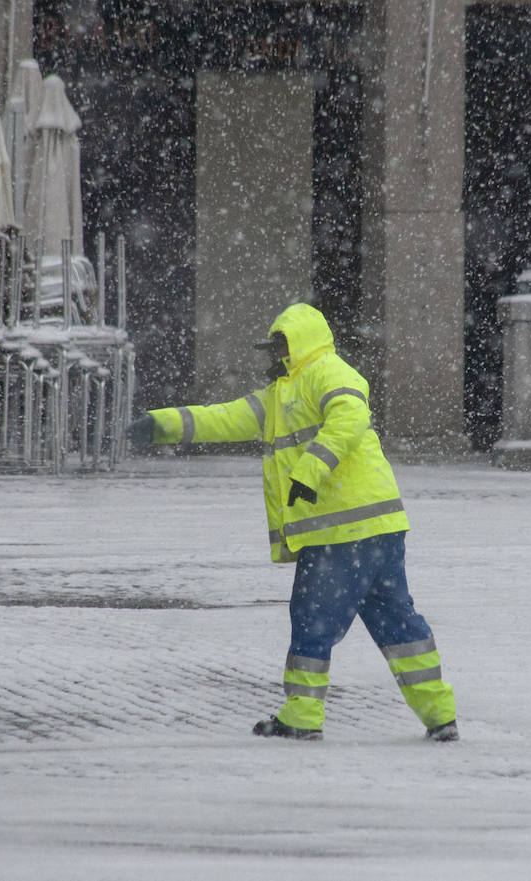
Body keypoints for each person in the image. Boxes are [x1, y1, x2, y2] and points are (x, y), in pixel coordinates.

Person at [126, 303, 459, 742]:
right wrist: (162, 425)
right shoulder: (281, 396)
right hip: (378, 527)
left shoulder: (328, 370)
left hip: (338, 531)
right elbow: (222, 417)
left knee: (313, 620)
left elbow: (351, 416)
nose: (273, 354)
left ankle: (302, 716)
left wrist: (309, 470)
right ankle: (440, 715)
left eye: (279, 344)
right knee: (399, 624)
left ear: (298, 341)